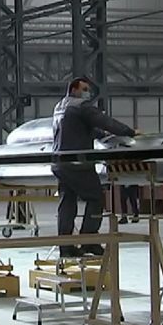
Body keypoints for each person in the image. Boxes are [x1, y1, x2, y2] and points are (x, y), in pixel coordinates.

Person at [52, 77, 137, 257]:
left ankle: (65, 247)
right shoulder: (81, 106)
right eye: (84, 89)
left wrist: (103, 136)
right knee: (96, 197)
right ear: (73, 89)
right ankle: (89, 240)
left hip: (60, 162)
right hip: (77, 163)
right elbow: (105, 121)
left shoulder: (60, 107)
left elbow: (83, 129)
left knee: (67, 202)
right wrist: (130, 132)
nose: (87, 93)